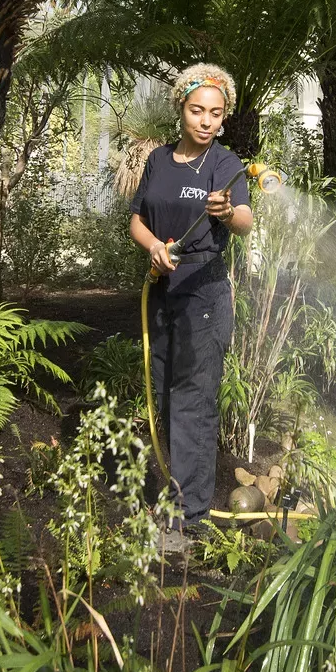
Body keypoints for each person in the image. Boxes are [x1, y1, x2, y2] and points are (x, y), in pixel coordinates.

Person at [128, 63, 253, 549]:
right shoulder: (159, 160)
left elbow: (242, 219)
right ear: (181, 108)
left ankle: (189, 519)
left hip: (203, 288)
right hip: (161, 283)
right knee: (163, 392)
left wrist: (226, 211)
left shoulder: (224, 163)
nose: (206, 121)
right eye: (197, 110)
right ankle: (175, 502)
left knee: (194, 400)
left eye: (215, 114)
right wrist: (154, 246)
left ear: (223, 119)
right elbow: (137, 218)